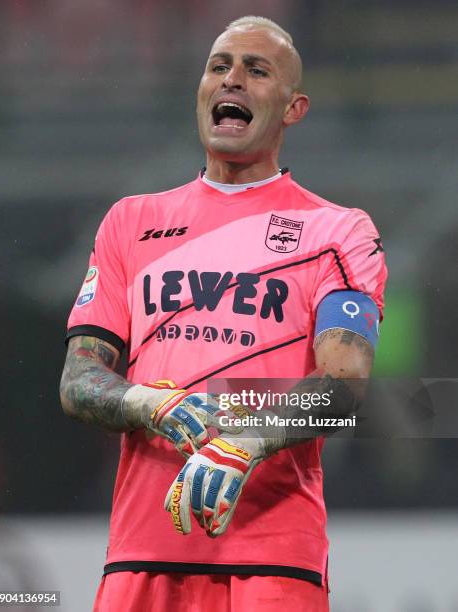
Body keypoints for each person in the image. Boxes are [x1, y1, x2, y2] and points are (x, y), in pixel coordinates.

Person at [60, 15, 387, 612]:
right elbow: (79, 381)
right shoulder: (129, 222)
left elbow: (344, 386)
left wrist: (247, 439)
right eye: (219, 66)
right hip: (141, 550)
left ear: (293, 108)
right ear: (202, 93)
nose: (232, 79)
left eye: (256, 70)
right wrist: (147, 402)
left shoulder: (338, 231)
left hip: (273, 557)